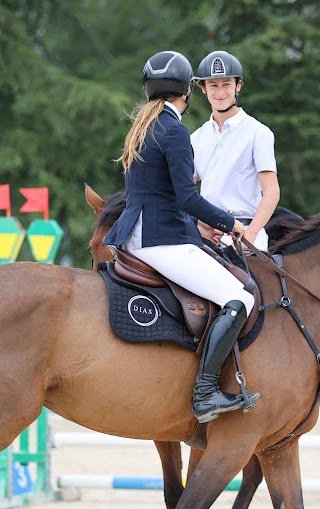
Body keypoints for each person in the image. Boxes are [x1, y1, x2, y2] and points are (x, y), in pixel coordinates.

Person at [103, 51, 259, 423]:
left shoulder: (144, 125)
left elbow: (164, 195)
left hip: (139, 235)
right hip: (161, 241)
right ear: (187, 91)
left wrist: (198, 227)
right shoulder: (173, 129)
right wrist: (230, 224)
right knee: (240, 298)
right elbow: (188, 197)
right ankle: (205, 392)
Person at [191, 50, 280, 252]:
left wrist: (251, 234)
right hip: (206, 237)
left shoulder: (259, 132)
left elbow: (272, 192)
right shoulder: (195, 139)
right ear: (203, 88)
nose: (220, 92)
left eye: (226, 85)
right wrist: (198, 224)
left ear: (238, 86)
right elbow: (185, 190)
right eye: (213, 85)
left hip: (246, 233)